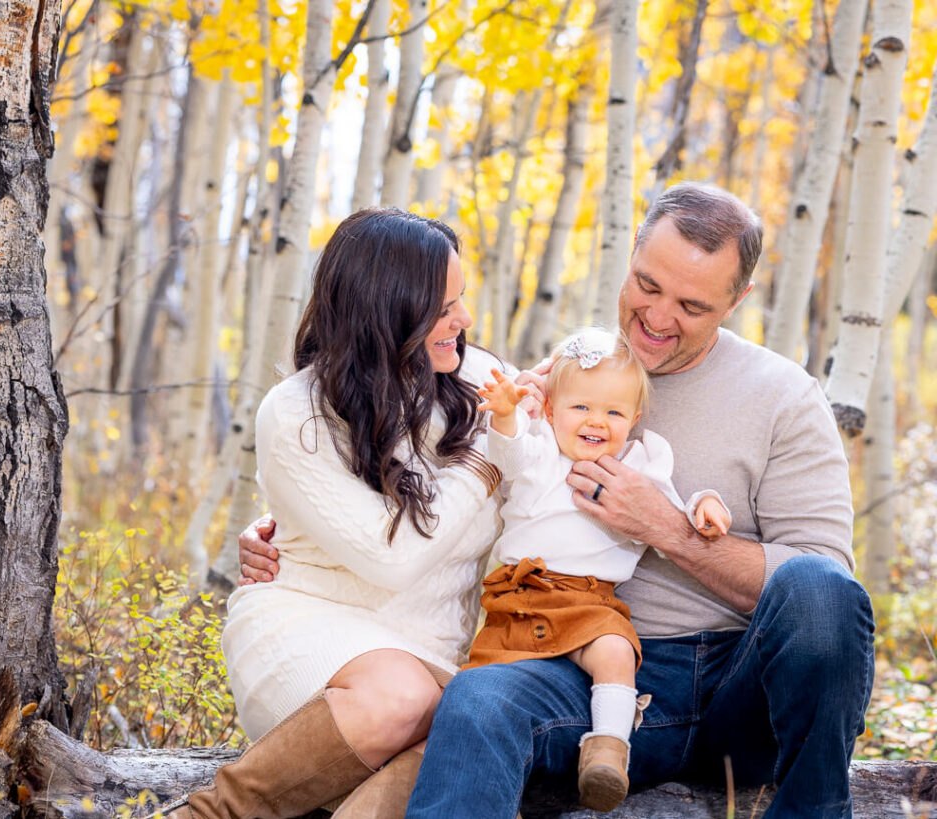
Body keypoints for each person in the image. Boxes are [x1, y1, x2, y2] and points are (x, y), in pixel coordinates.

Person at [241, 183, 874, 817]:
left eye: (691, 304)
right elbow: (457, 471)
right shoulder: (562, 375)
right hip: (575, 664)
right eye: (647, 286)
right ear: (630, 256)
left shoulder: (784, 397)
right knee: (477, 698)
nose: (657, 318)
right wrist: (288, 531)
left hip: (745, 688)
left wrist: (668, 530)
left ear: (737, 300)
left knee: (820, 585)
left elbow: (824, 599)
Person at [156, 207, 508, 819]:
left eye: (462, 299)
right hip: (310, 630)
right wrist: (483, 466)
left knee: (474, 724)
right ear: (389, 310)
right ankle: (212, 813)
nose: (465, 321)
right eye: (444, 307)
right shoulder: (298, 413)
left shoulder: (481, 382)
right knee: (406, 702)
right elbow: (390, 559)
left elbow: (583, 435)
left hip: (433, 655)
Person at [466, 326, 730, 812]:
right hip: (521, 599)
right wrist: (505, 413)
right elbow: (509, 454)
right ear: (549, 410)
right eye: (581, 408)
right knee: (479, 693)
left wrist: (703, 503)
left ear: (634, 417)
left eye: (613, 412)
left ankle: (608, 751)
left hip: (591, 600)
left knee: (616, 650)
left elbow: (668, 512)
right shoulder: (541, 449)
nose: (597, 422)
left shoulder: (641, 463)